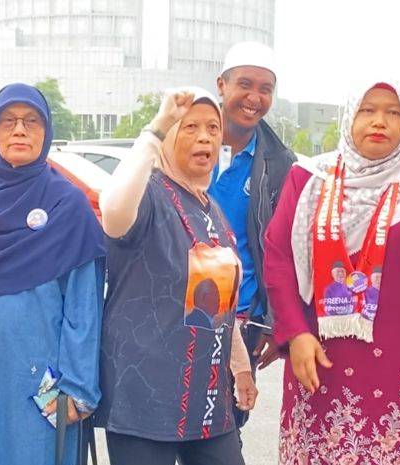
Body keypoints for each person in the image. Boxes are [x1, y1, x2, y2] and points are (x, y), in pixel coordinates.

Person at [264, 81, 400, 464]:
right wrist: (295, 333)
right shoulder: (310, 179)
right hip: (318, 364)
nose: (379, 121)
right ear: (349, 116)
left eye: (393, 112)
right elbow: (279, 257)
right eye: (368, 110)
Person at [0, 83, 106, 465]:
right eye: (8, 121)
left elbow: (85, 306)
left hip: (44, 376)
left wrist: (79, 387)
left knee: (36, 451)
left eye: (32, 121)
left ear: (46, 132)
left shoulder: (67, 203)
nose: (19, 130)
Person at [96, 88, 256, 465]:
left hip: (207, 402)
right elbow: (113, 210)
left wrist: (242, 368)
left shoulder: (212, 210)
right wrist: (155, 129)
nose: (205, 137)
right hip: (144, 400)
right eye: (190, 127)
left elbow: (220, 303)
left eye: (213, 128)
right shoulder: (147, 195)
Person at [208, 41, 297, 431]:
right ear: (221, 85)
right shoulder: (180, 144)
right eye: (244, 83)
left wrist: (273, 323)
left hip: (239, 322)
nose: (254, 97)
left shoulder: (281, 164)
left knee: (222, 436)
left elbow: (285, 251)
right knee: (162, 436)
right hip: (168, 317)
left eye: (266, 89)